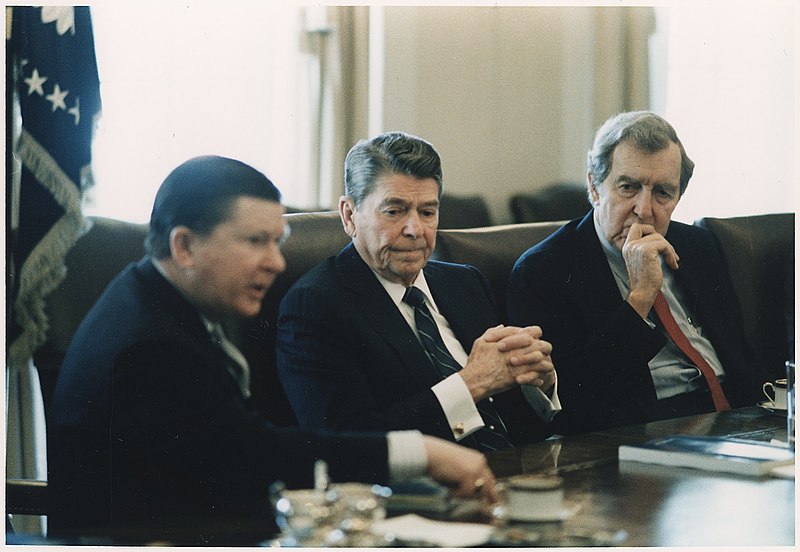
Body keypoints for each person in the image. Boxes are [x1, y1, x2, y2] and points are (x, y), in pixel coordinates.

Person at [48, 155, 497, 544]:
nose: (277, 262)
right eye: (255, 241)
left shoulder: (149, 298)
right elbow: (256, 456)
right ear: (184, 246)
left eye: (276, 242)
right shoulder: (149, 343)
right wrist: (423, 451)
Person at [277, 131, 559, 451]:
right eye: (394, 211)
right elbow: (346, 443)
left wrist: (538, 385)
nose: (415, 230)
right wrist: (471, 384)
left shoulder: (465, 283)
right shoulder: (316, 304)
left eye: (427, 212)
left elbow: (513, 425)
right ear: (349, 215)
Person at [507, 111, 767, 434]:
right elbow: (575, 403)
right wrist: (640, 298)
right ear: (595, 186)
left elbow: (742, 363)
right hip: (647, 433)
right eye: (628, 187)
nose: (644, 210)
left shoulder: (698, 245)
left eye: (662, 193)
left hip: (736, 421)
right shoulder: (543, 271)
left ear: (678, 198)